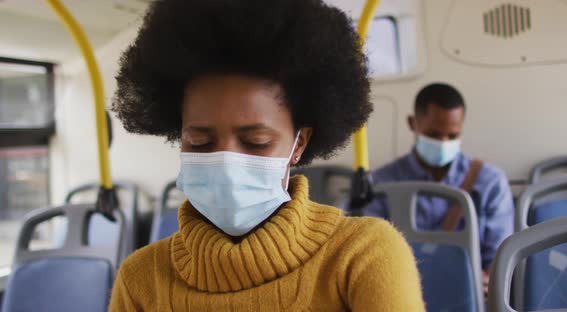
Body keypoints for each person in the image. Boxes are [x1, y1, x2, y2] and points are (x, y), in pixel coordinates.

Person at [108, 0, 425, 311]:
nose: (227, 163)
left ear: (299, 143)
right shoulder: (140, 279)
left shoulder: (363, 254)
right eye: (201, 141)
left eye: (255, 141)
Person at [363, 83, 514, 290]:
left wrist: (489, 278)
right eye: (433, 135)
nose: (443, 143)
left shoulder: (489, 182)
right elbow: (372, 253)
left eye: (452, 136)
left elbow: (500, 259)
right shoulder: (382, 183)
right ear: (413, 124)